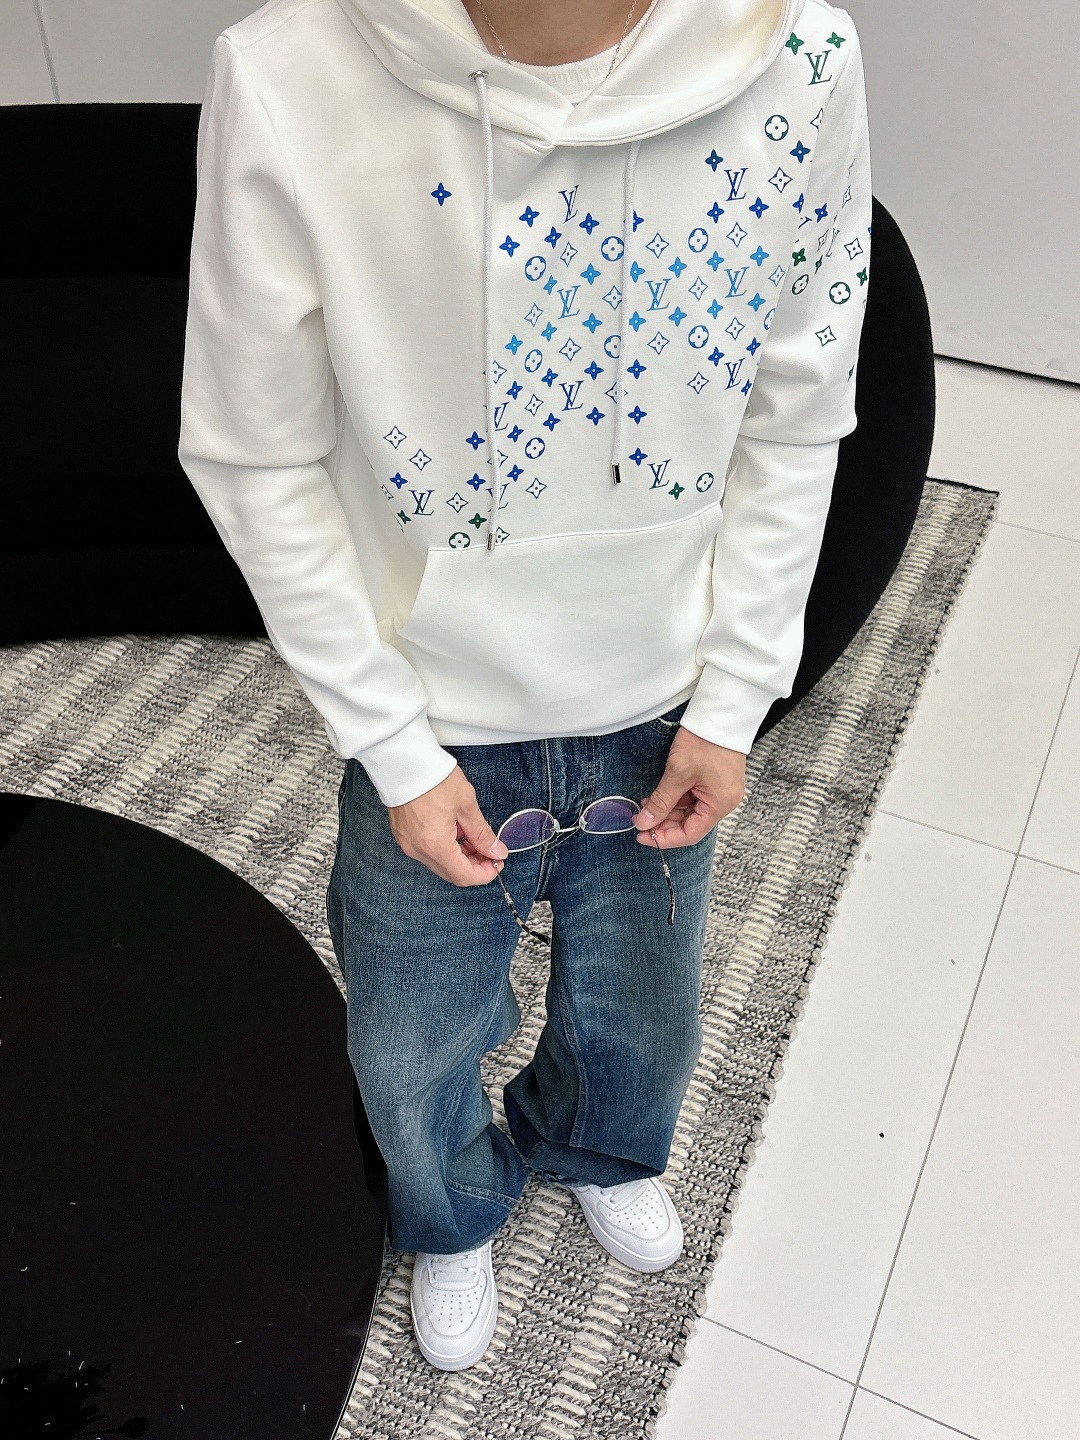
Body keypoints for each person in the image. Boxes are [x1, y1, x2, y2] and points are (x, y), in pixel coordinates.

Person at [179, 0, 871, 1372]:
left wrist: (736, 697)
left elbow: (798, 411)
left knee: (644, 1014)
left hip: (665, 705)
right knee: (412, 1032)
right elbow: (251, 449)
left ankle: (597, 1147)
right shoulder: (288, 72)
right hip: (437, 719)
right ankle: (450, 1211)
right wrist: (391, 739)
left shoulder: (804, 56)